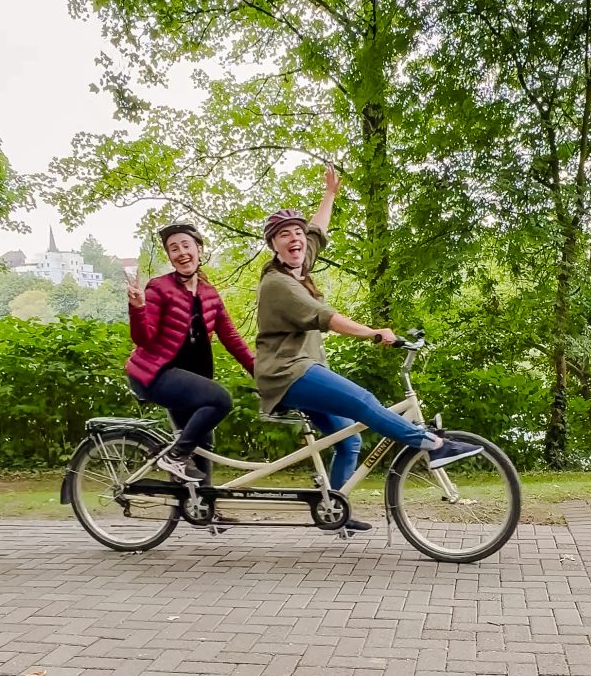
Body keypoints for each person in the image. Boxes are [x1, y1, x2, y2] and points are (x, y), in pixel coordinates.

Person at [255, 165, 481, 532]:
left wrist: (330, 194)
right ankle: (432, 444)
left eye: (296, 233)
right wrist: (373, 332)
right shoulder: (279, 284)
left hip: (304, 369)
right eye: (284, 235)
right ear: (273, 246)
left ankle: (334, 510)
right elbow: (327, 317)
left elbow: (316, 231)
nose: (295, 239)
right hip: (287, 373)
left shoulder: (298, 264)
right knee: (363, 402)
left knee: (350, 439)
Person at [126, 224, 254, 482]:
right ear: (169, 257)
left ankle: (203, 511)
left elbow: (231, 338)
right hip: (155, 375)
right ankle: (174, 457)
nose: (181, 253)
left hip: (187, 377)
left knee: (202, 444)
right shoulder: (159, 288)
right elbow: (143, 338)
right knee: (220, 400)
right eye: (174, 249)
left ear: (199, 249)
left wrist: (259, 371)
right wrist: (138, 308)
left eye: (186, 245)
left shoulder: (209, 294)